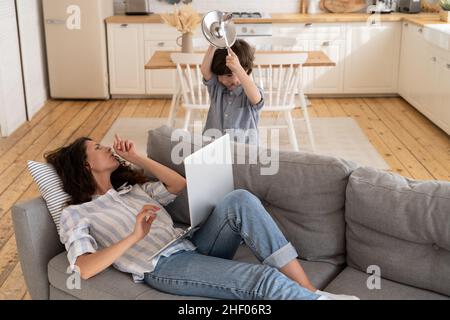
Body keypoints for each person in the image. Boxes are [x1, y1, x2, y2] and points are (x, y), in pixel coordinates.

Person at [45, 135, 358, 300]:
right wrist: (134, 237)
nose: (108, 148)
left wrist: (136, 157)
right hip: (162, 265)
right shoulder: (77, 212)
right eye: (99, 148)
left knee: (240, 200)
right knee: (261, 278)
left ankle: (310, 293)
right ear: (86, 166)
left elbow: (178, 186)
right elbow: (83, 268)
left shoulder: (131, 190)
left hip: (191, 244)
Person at [201, 39, 263, 145]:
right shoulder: (217, 87)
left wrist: (238, 68)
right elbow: (205, 70)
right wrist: (213, 45)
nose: (224, 80)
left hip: (245, 150)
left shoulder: (249, 90)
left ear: (245, 71)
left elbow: (257, 99)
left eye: (230, 75)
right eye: (225, 76)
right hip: (215, 146)